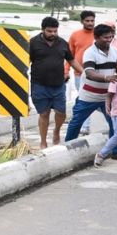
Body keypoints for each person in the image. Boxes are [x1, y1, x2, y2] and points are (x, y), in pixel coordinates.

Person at [63, 24, 117, 158]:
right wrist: (106, 78)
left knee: (115, 123)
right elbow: (89, 73)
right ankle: (68, 149)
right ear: (96, 37)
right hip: (89, 96)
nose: (109, 40)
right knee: (76, 122)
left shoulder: (115, 52)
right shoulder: (90, 53)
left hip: (107, 96)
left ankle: (116, 151)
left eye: (111, 37)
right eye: (105, 37)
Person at [28, 16, 79, 149]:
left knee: (61, 113)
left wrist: (85, 73)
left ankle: (56, 131)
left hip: (58, 85)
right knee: (44, 113)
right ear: (43, 30)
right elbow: (26, 61)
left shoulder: (62, 43)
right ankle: (43, 142)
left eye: (55, 31)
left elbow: (71, 60)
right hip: (39, 84)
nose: (53, 34)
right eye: (49, 31)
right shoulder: (33, 43)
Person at [67, 10, 96, 92]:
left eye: (92, 21)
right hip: (79, 74)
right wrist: (66, 70)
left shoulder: (99, 35)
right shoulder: (75, 35)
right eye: (87, 21)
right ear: (82, 21)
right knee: (81, 96)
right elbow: (69, 55)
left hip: (96, 73)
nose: (90, 23)